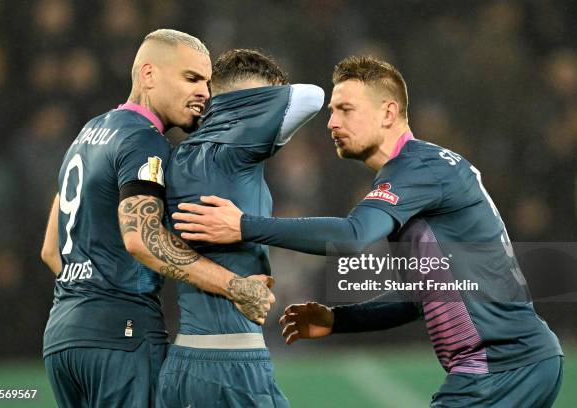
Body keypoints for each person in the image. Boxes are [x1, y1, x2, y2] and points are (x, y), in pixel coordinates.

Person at [172, 56, 564, 407]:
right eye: (331, 111)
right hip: (518, 362)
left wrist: (243, 225)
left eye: (345, 109)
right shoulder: (421, 173)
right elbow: (422, 297)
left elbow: (352, 236)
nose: (331, 123)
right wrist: (338, 321)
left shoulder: (418, 169)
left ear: (388, 112)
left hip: (501, 366)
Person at [40, 30, 274, 408]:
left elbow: (51, 250)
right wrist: (236, 286)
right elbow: (142, 239)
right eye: (191, 78)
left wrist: (91, 304)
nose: (204, 93)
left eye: (208, 83)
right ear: (148, 75)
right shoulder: (143, 140)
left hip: (63, 337)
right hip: (122, 336)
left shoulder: (87, 135)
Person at [157, 49, 324, 407]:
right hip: (233, 365)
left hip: (182, 363)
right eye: (267, 101)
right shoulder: (237, 147)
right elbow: (314, 96)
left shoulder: (179, 156)